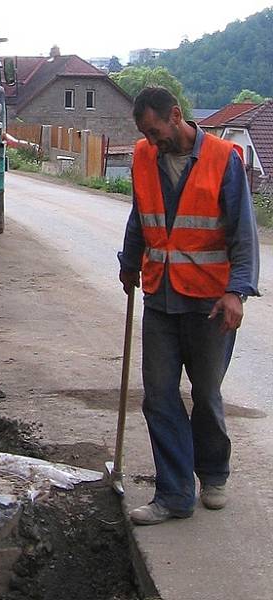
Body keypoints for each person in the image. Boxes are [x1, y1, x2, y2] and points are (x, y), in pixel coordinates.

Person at [118, 87, 260, 525]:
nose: (150, 140)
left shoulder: (223, 159)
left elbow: (243, 232)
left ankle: (213, 473)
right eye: (144, 133)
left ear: (176, 115)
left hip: (209, 304)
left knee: (206, 394)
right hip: (160, 297)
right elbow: (140, 215)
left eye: (154, 130)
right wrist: (129, 262)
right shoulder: (144, 156)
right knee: (159, 397)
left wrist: (237, 291)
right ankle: (175, 494)